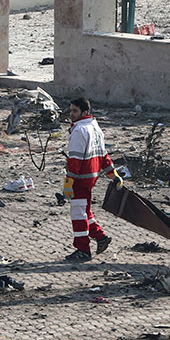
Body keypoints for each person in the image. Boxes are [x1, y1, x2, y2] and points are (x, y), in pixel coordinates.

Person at [63, 97, 121, 262]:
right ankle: (101, 237)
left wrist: (69, 181)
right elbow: (103, 155)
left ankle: (83, 249)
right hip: (91, 177)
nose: (71, 114)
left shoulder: (79, 131)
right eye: (71, 110)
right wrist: (112, 174)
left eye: (75, 111)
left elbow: (75, 160)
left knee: (78, 213)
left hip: (81, 179)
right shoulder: (95, 127)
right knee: (85, 211)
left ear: (84, 112)